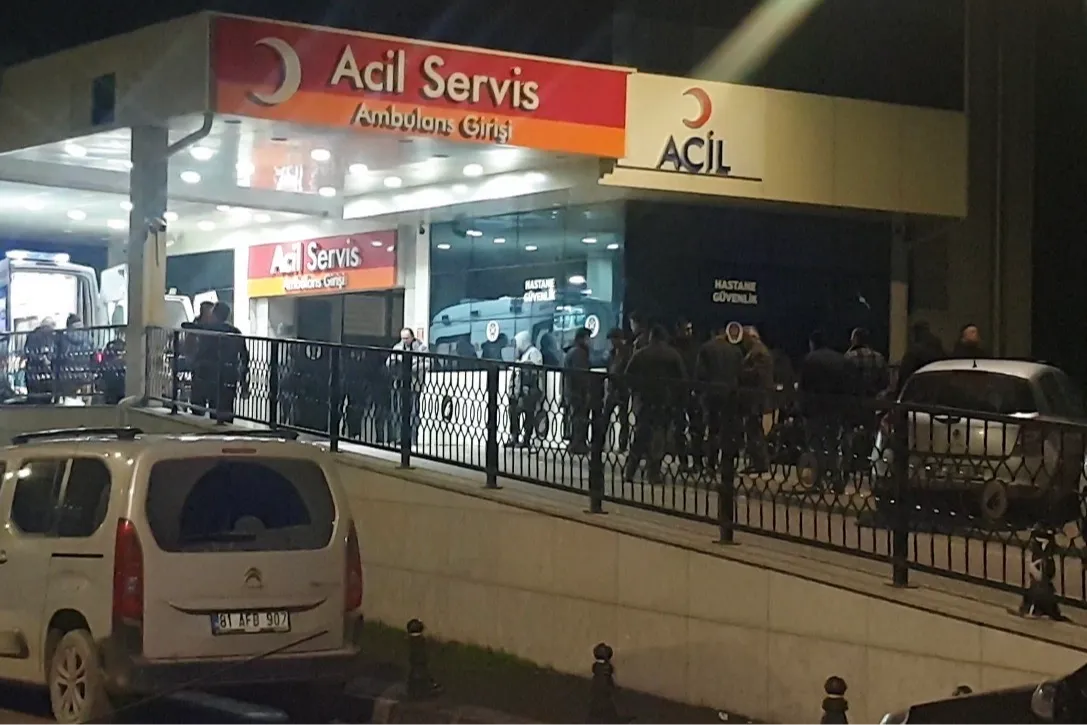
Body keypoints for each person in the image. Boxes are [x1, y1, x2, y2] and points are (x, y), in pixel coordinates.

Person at [624, 325, 687, 483]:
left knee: (640, 437)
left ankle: (630, 471)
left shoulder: (641, 354)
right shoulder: (673, 354)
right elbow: (682, 379)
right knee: (658, 438)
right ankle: (653, 473)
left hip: (644, 401)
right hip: (665, 402)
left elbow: (627, 376)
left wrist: (637, 391)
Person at [799, 330, 850, 492]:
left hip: (815, 408)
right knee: (833, 444)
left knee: (815, 444)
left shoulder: (810, 359)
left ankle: (818, 480)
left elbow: (804, 385)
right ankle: (837, 479)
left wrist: (802, 407)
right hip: (835, 407)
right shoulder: (840, 359)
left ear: (813, 343)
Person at [695, 324, 744, 475]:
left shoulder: (705, 348)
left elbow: (700, 373)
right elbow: (740, 374)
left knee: (712, 430)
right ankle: (727, 466)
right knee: (728, 431)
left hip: (711, 395)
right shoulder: (736, 351)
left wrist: (699, 392)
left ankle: (711, 464)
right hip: (730, 395)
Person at [191, 302, 249, 423]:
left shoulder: (208, 331)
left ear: (214, 314)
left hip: (207, 375)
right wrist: (243, 381)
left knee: (198, 411)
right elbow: (244, 356)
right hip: (228, 376)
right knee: (225, 413)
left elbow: (201, 352)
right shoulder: (235, 332)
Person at [740, 326, 774, 474]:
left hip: (756, 397)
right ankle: (757, 461)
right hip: (756, 397)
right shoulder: (758, 351)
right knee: (753, 430)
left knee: (754, 430)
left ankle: (760, 462)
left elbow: (757, 374)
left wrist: (740, 372)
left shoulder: (758, 352)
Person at [386, 327, 428, 445]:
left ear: (412, 337)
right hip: (400, 384)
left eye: (407, 338)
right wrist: (396, 366)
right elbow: (389, 362)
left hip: (415, 384)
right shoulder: (397, 348)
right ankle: (400, 437)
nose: (404, 341)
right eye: (403, 338)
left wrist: (412, 367)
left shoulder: (421, 348)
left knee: (414, 412)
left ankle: (413, 438)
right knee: (399, 412)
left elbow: (427, 363)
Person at [671, 318, 702, 471]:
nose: (689, 332)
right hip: (679, 392)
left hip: (691, 391)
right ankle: (684, 461)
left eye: (690, 329)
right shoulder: (674, 348)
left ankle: (696, 462)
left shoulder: (695, 348)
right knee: (679, 428)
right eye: (686, 329)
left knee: (695, 429)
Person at [507, 330, 544, 448]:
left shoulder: (534, 353)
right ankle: (515, 437)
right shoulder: (525, 354)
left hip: (529, 390)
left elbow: (532, 372)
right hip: (520, 390)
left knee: (528, 413)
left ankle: (526, 439)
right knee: (514, 411)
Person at [563, 327, 593, 454]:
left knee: (575, 417)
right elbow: (581, 375)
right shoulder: (579, 353)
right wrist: (586, 391)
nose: (589, 341)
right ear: (582, 338)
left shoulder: (572, 351)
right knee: (580, 418)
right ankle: (578, 445)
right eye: (588, 338)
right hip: (577, 392)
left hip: (571, 391)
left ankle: (575, 444)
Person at [603, 328, 632, 452]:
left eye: (613, 340)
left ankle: (622, 445)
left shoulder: (627, 353)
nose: (612, 343)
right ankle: (602, 443)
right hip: (612, 389)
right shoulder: (612, 353)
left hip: (622, 389)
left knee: (623, 418)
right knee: (606, 417)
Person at [898, 321, 945, 393]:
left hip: (917, 391)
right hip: (937, 389)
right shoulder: (938, 348)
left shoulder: (914, 352)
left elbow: (904, 375)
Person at [845, 327, 889, 399]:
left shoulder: (848, 357)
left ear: (854, 340)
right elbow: (885, 382)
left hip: (854, 400)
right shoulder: (879, 357)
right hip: (874, 401)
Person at [23, 317, 57, 398]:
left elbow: (28, 352)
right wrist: (46, 359)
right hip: (45, 374)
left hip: (33, 374)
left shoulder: (31, 336)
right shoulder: (51, 336)